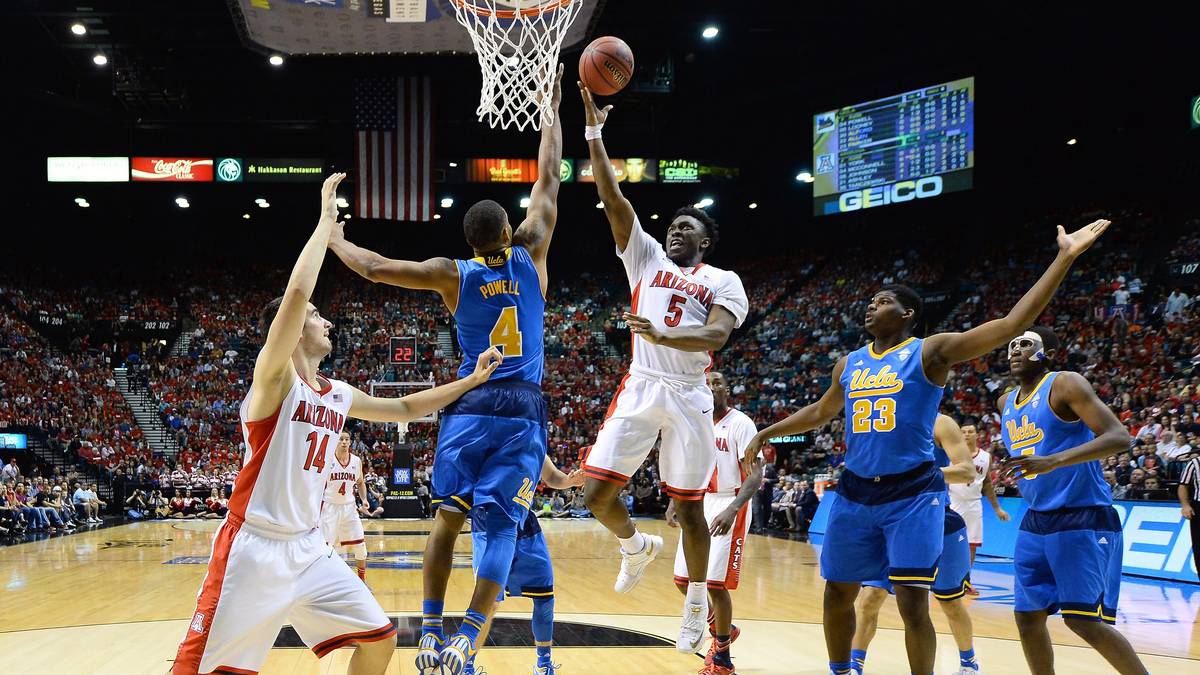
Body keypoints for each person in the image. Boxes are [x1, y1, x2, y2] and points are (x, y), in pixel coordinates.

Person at [746, 219, 1111, 675]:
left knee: (913, 603)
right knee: (837, 592)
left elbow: (1013, 324)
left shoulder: (930, 352)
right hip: (855, 491)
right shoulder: (848, 363)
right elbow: (820, 411)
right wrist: (768, 431)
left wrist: (1064, 257)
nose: (871, 306)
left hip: (913, 494)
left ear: (907, 315)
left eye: (883, 301)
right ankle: (840, 670)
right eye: (871, 300)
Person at [172, 174, 504, 675]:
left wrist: (470, 380)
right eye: (316, 315)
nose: (326, 322)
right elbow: (297, 289)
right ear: (290, 329)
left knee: (381, 638)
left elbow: (406, 409)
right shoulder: (274, 380)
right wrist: (325, 226)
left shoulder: (337, 393)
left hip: (308, 548)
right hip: (253, 548)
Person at [328, 69, 565, 675]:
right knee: (502, 524)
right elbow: (547, 178)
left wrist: (332, 240)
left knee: (448, 517)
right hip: (520, 408)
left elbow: (378, 267)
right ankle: (467, 638)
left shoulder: (449, 274)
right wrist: (552, 109)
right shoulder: (532, 247)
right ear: (508, 233)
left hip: (467, 402)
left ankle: (429, 633)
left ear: (466, 238)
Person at [575, 81, 750, 654]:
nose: (677, 229)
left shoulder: (722, 280)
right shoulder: (644, 256)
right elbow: (613, 196)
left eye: (689, 225)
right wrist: (594, 130)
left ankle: (697, 603)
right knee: (596, 493)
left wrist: (668, 332)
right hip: (643, 384)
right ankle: (633, 546)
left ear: (707, 240)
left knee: (688, 506)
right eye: (673, 223)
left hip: (691, 392)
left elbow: (719, 334)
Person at [998, 326, 1148, 675]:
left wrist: (1055, 460)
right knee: (1027, 617)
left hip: (1082, 516)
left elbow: (1119, 437)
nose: (1015, 350)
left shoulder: (1065, 383)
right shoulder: (1004, 401)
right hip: (1035, 519)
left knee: (1082, 621)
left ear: (1048, 352)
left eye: (1025, 344)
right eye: (1012, 345)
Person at [852, 415, 982, 675]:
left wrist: (914, 476)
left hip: (938, 519)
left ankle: (969, 663)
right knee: (870, 597)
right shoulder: (880, 421)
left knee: (950, 602)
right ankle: (854, 665)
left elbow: (966, 471)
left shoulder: (940, 422)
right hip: (891, 521)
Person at [666, 371, 762, 675]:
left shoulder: (741, 423)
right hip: (699, 502)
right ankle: (723, 628)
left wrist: (734, 509)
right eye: (706, 384)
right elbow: (686, 467)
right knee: (684, 580)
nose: (711, 388)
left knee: (715, 584)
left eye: (717, 383)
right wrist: (674, 502)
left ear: (726, 390)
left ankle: (722, 659)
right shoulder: (695, 424)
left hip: (729, 501)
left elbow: (756, 473)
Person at [462, 456, 585, 675]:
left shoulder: (534, 439)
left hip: (526, 525)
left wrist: (570, 481)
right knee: (488, 603)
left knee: (545, 597)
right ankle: (468, 666)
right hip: (488, 525)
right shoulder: (484, 437)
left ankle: (544, 664)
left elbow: (553, 477)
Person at [952, 422, 1011, 580]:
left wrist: (998, 509)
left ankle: (966, 580)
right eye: (963, 431)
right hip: (953, 502)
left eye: (970, 431)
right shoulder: (950, 454)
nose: (966, 434)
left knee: (972, 545)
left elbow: (987, 484)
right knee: (947, 543)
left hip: (974, 504)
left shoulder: (986, 457)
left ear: (977, 435)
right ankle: (946, 580)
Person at [321, 430, 373, 582]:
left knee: (361, 546)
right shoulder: (327, 459)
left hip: (349, 508)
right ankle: (324, 580)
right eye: (341, 439)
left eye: (346, 439)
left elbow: (361, 482)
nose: (344, 442)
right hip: (329, 507)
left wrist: (364, 499)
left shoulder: (356, 461)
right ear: (335, 442)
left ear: (350, 442)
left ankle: (361, 580)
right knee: (326, 548)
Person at [1178, 452, 1200, 581]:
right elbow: (1183, 486)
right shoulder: (1194, 463)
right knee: (1198, 547)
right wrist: (1185, 505)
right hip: (1198, 507)